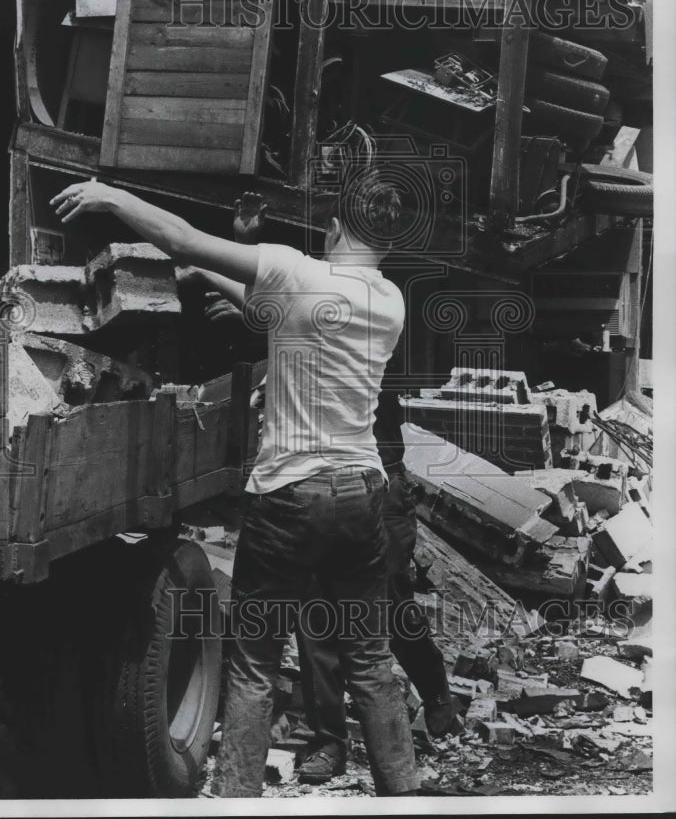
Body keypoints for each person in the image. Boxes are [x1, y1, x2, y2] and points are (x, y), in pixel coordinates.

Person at [50, 174, 420, 798]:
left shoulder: (297, 271)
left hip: (292, 496)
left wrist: (111, 196)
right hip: (361, 492)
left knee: (253, 667)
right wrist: (216, 260)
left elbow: (185, 240)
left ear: (333, 226)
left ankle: (237, 802)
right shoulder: (389, 301)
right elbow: (263, 305)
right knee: (371, 659)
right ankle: (405, 794)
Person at [296, 366, 461, 783]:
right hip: (318, 485)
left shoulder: (366, 320)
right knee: (316, 615)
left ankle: (436, 693)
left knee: (388, 604)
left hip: (380, 483)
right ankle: (330, 739)